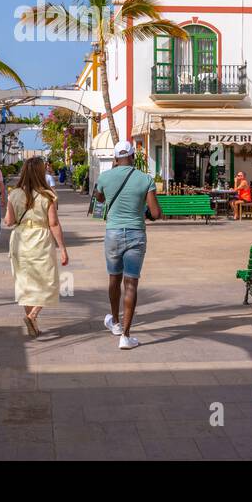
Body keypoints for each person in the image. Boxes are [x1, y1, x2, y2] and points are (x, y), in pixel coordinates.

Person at [93, 141, 161, 349]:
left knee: (114, 279)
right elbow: (156, 213)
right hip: (135, 234)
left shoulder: (104, 177)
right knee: (130, 284)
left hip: (113, 233)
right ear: (133, 157)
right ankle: (126, 335)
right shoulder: (145, 179)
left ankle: (114, 322)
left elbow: (99, 198)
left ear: (115, 159)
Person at [4, 156, 69, 338]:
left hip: (20, 239)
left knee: (25, 283)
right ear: (41, 172)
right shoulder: (47, 196)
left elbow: (9, 221)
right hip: (40, 239)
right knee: (48, 281)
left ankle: (31, 322)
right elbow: (54, 224)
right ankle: (32, 316)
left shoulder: (14, 194)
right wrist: (62, 248)